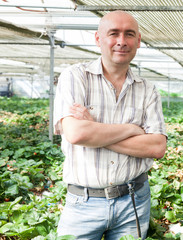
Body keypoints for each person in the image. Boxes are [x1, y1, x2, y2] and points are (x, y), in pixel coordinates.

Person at [53, 10, 167, 240]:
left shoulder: (148, 90)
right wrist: (133, 130)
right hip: (84, 204)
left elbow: (156, 148)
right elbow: (76, 133)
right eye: (113, 33)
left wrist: (96, 130)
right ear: (98, 39)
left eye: (129, 34)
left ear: (138, 41)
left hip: (134, 200)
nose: (121, 41)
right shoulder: (75, 77)